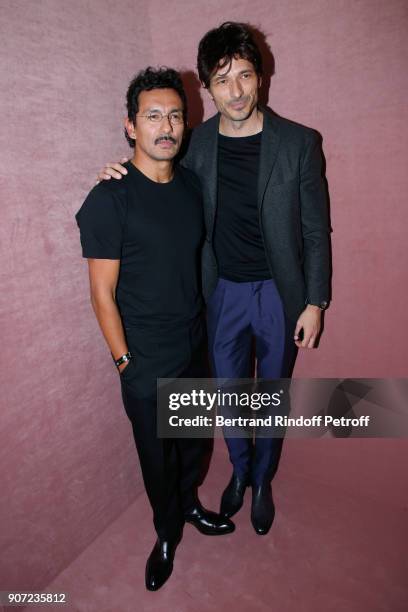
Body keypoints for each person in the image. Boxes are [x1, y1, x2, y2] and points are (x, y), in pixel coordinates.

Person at [97, 22, 331, 537]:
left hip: (278, 293)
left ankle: (263, 480)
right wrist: (114, 176)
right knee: (226, 398)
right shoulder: (194, 146)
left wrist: (315, 301)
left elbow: (316, 231)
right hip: (219, 293)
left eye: (245, 76)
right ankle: (240, 473)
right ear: (207, 87)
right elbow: (153, 171)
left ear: (261, 78)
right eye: (223, 80)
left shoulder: (299, 144)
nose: (237, 91)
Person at [76, 67, 234, 592]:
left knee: (192, 443)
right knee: (157, 458)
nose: (165, 126)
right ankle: (165, 533)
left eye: (174, 115)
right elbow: (101, 294)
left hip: (192, 344)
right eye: (152, 116)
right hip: (144, 357)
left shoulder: (190, 185)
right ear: (130, 125)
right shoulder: (109, 199)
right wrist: (126, 363)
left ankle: (189, 506)